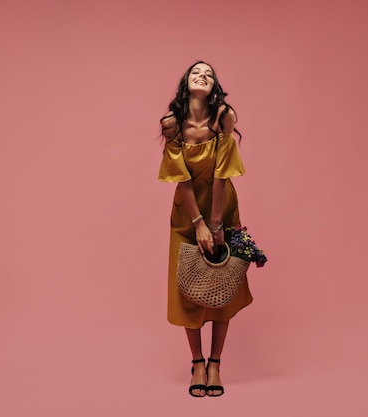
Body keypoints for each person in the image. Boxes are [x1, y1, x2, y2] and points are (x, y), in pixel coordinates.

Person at [158, 61, 253, 397]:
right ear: (186, 82)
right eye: (196, 71)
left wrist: (215, 224)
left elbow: (222, 174)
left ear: (214, 86)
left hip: (222, 206)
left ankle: (215, 363)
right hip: (187, 213)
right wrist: (198, 223)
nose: (203, 75)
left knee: (223, 281)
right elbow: (180, 177)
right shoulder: (172, 123)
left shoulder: (223, 116)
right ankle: (197, 361)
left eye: (209, 73)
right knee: (187, 285)